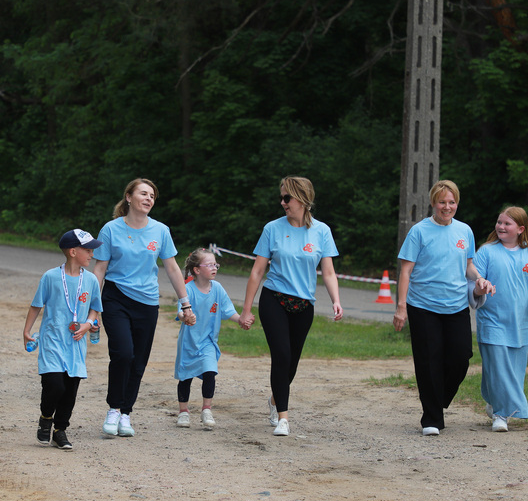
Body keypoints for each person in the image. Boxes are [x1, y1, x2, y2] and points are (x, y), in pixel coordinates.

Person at [239, 176, 343, 437]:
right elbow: (257, 272)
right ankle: (283, 417)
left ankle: (275, 399)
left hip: (304, 304)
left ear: (303, 199)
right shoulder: (272, 229)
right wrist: (246, 309)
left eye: (287, 198)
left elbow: (328, 272)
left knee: (292, 362)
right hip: (274, 298)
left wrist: (336, 300)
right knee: (282, 355)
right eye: (281, 197)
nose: (282, 202)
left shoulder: (321, 231)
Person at [92, 178, 196, 438]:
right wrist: (93, 307)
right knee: (123, 354)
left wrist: (185, 303)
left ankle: (126, 414)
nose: (149, 198)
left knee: (138, 361)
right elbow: (100, 269)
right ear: (129, 197)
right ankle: (113, 409)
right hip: (115, 297)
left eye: (152, 196)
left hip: (147, 303)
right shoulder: (110, 229)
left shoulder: (160, 230)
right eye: (143, 193)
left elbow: (172, 268)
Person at [392, 179, 495, 436]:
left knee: (461, 357)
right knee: (429, 360)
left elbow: (468, 266)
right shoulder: (419, 232)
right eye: (442, 202)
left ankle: (438, 400)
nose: (447, 207)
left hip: (456, 305)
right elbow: (405, 272)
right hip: (423, 306)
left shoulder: (464, 231)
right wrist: (401, 307)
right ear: (433, 203)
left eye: (451, 202)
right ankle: (432, 418)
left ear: (457, 203)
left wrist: (479, 279)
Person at [474, 206, 528, 432]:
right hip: (491, 322)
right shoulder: (486, 252)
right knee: (498, 368)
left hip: (520, 325)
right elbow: (474, 282)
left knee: (512, 371)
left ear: (521, 229)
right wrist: (480, 288)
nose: (501, 227)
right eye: (499, 222)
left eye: (507, 224)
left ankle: (495, 402)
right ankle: (502, 415)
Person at [22, 229, 103, 450]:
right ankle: (46, 417)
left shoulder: (91, 280)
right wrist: (27, 331)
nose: (92, 254)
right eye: (88, 250)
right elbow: (36, 305)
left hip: (76, 343)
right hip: (52, 340)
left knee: (70, 389)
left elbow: (95, 308)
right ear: (73, 252)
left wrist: (88, 324)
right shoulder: (51, 277)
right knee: (54, 385)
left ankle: (60, 430)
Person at [174, 248, 241, 430]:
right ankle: (183, 411)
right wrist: (185, 317)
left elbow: (228, 310)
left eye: (215, 264)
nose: (214, 268)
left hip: (208, 342)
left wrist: (240, 320)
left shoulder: (217, 288)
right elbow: (180, 311)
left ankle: (206, 410)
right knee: (186, 377)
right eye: (210, 265)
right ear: (197, 270)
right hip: (189, 342)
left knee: (210, 372)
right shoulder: (187, 289)